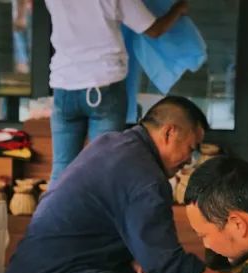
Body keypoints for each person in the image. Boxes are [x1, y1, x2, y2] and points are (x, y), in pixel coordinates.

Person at [3, 96, 248, 273]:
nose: (190, 160)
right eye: (191, 148)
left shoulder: (115, 144)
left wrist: (134, 253)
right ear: (170, 132)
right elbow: (165, 264)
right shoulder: (145, 177)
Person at [45, 0, 191, 181]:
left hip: (64, 86)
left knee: (61, 170)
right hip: (105, 86)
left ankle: (55, 201)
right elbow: (154, 29)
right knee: (103, 170)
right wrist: (178, 8)